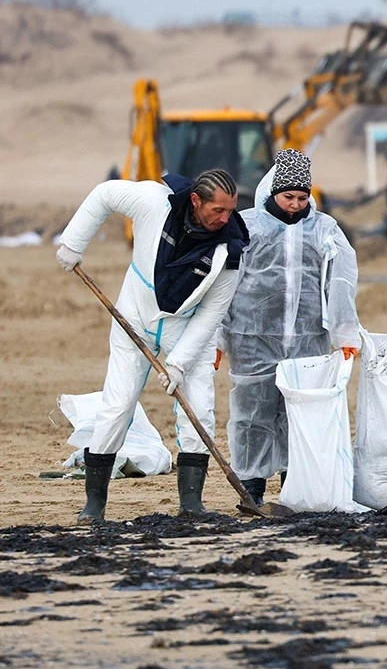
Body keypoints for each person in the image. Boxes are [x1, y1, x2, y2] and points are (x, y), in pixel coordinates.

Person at [55, 168, 248, 521]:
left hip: (188, 328)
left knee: (200, 412)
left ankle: (191, 505)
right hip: (135, 320)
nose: (226, 218)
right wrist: (73, 243)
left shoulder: (231, 250)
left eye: (230, 210)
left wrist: (179, 363)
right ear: (195, 200)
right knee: (117, 407)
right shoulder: (152, 202)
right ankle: (94, 503)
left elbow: (211, 314)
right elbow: (104, 194)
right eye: (217, 210)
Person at [220, 149, 360, 507]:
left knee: (300, 413)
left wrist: (345, 333)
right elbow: (223, 285)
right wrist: (217, 337)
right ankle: (250, 488)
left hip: (307, 338)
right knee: (253, 412)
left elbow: (341, 281)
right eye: (288, 197)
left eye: (302, 197)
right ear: (273, 193)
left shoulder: (325, 228)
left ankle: (293, 484)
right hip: (252, 338)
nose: (296, 204)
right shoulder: (246, 226)